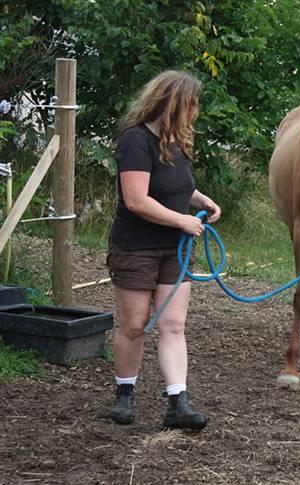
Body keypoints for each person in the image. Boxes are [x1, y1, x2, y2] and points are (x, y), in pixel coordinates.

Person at [106, 70, 221, 430]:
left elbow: (176, 187)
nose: (195, 112)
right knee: (135, 324)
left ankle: (178, 403)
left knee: (173, 325)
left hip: (175, 249)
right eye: (191, 104)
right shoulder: (135, 142)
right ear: (172, 103)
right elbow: (137, 200)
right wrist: (182, 221)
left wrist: (200, 200)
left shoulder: (176, 143)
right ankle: (124, 394)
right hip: (136, 246)